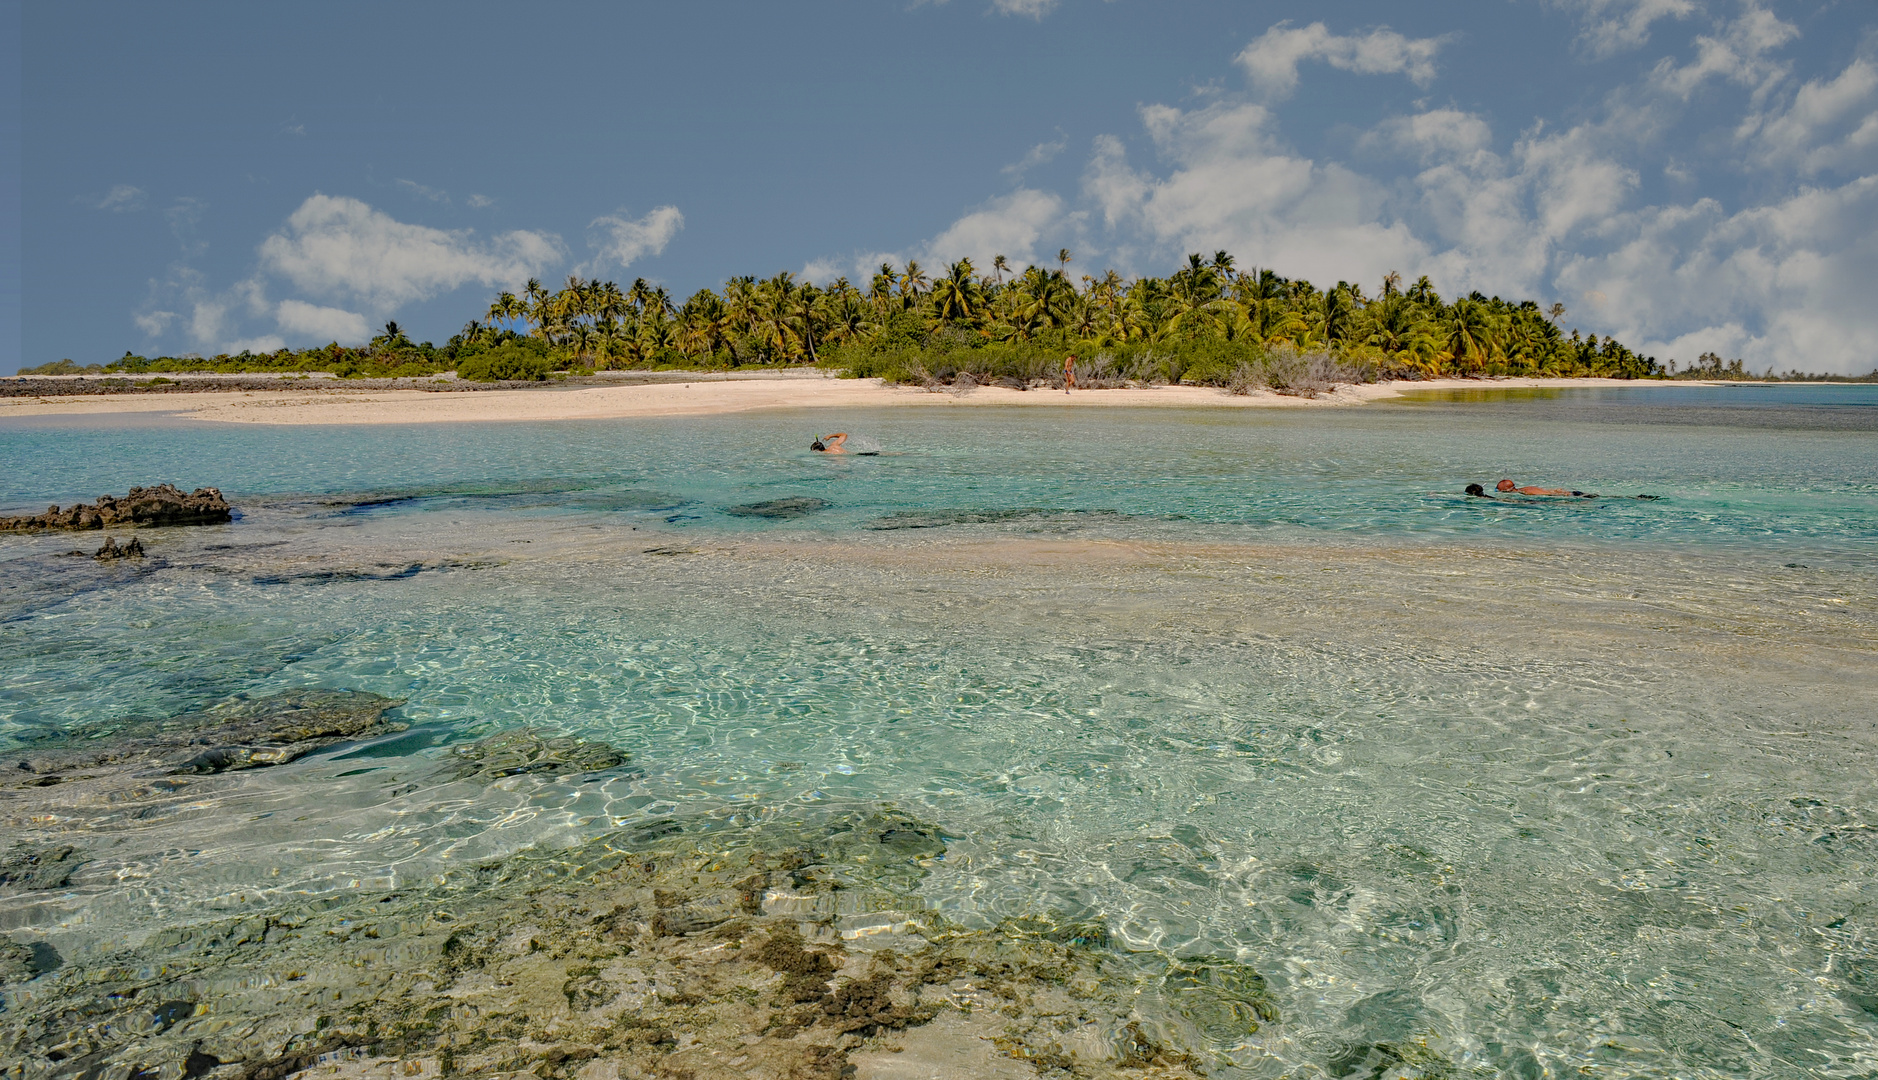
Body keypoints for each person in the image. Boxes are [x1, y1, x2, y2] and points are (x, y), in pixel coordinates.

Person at [1497, 479, 1594, 497]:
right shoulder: (1527, 488)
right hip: (1573, 493)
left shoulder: (1525, 493)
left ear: (1507, 490)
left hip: (1572, 496)